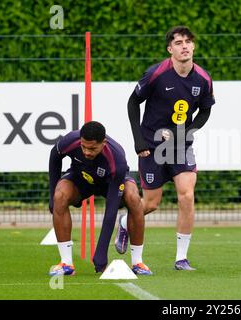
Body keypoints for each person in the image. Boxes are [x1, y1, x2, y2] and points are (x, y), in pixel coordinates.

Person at [115, 26, 215, 271]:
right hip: (152, 145)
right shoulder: (156, 74)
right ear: (170, 49)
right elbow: (132, 102)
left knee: (187, 195)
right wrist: (138, 140)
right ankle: (126, 222)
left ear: (193, 47)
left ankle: (181, 258)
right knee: (150, 204)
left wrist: (187, 133)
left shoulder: (203, 79)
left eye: (188, 42)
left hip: (181, 145)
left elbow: (205, 109)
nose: (184, 46)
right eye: (178, 42)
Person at [48, 121, 151, 276]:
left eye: (92, 148)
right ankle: (66, 264)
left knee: (133, 197)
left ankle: (137, 262)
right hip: (81, 179)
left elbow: (110, 212)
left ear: (103, 143)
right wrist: (51, 197)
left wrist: (101, 254)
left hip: (110, 183)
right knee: (59, 196)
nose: (87, 152)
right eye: (83, 147)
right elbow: (54, 157)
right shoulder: (71, 140)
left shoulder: (117, 159)